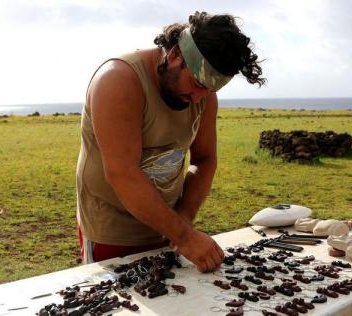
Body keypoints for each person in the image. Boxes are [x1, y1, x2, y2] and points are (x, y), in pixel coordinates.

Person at [76, 11, 265, 272]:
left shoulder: (203, 95)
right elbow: (122, 173)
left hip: (168, 228)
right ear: (175, 55)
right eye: (197, 83)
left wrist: (182, 220)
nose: (200, 98)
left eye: (210, 91)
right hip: (113, 232)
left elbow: (205, 159)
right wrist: (185, 236)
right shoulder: (118, 80)